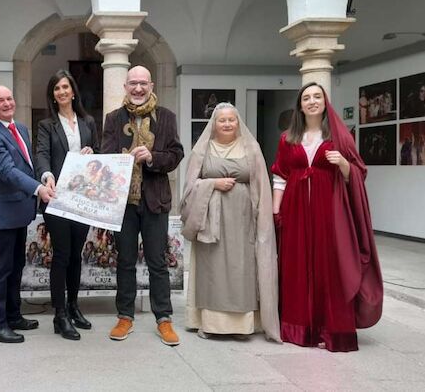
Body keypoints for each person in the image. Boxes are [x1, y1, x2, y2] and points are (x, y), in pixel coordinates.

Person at [272, 82, 383, 352]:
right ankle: (299, 328)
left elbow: (358, 172)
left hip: (330, 212)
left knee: (330, 267)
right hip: (295, 211)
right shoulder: (288, 138)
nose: (312, 101)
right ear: (300, 105)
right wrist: (276, 211)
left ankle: (331, 330)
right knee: (297, 267)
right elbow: (280, 176)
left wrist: (344, 164)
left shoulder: (340, 136)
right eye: (306, 98)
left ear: (325, 102)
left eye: (317, 97)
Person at [180, 103, 281, 342]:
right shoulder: (202, 150)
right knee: (212, 271)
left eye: (231, 120)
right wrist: (213, 184)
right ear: (214, 124)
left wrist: (264, 215)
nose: (227, 124)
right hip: (210, 222)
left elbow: (261, 185)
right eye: (222, 120)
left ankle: (242, 326)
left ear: (238, 123)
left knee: (242, 268)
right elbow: (189, 189)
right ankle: (211, 324)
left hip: (243, 219)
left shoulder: (251, 149)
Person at [101, 65, 184, 346]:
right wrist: (118, 159)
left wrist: (151, 157)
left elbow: (176, 154)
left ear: (151, 86)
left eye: (143, 83)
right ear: (125, 86)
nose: (138, 88)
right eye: (133, 83)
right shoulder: (113, 119)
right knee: (125, 261)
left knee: (157, 262)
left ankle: (164, 318)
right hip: (123, 203)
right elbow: (106, 156)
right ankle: (125, 316)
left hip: (155, 200)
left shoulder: (167, 117)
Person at [0, 84, 55, 343]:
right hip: (3, 212)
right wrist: (38, 189)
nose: (7, 103)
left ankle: (13, 315)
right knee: (0, 270)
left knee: (16, 266)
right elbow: (7, 171)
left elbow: (27, 165)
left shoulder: (19, 128)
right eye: (0, 101)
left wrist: (43, 178)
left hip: (20, 211)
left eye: (9, 98)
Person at [35, 69, 100, 341]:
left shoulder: (88, 122)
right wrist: (46, 176)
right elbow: (42, 155)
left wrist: (92, 152)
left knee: (76, 255)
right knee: (62, 255)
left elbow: (99, 154)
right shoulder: (46, 125)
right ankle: (59, 315)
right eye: (56, 88)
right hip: (57, 198)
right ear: (53, 95)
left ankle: (74, 306)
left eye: (65, 87)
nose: (61, 92)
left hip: (82, 198)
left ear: (73, 91)